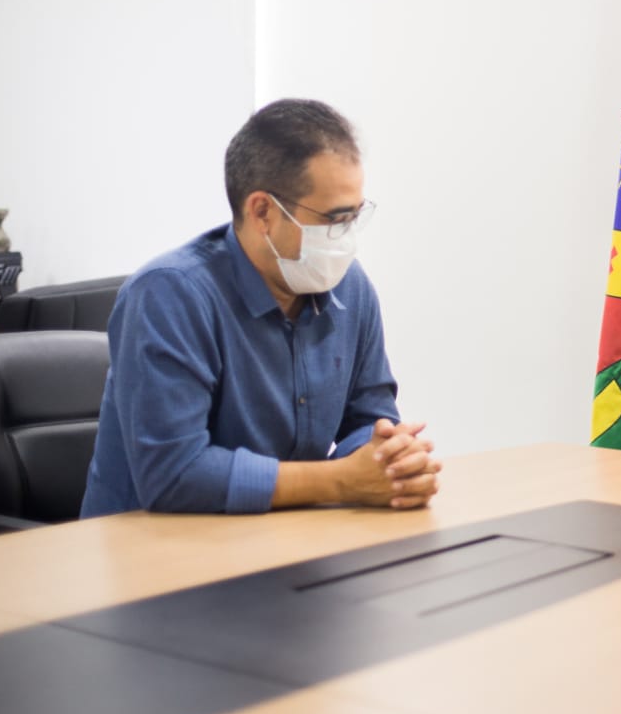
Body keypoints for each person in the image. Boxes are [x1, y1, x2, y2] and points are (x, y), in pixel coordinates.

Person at [81, 99, 440, 516]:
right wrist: (342, 479)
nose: (346, 238)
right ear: (263, 211)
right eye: (335, 219)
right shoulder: (169, 295)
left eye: (355, 217)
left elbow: (369, 419)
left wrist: (389, 462)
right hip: (153, 559)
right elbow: (174, 475)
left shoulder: (351, 288)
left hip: (279, 544)